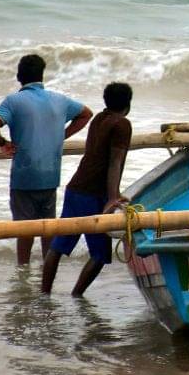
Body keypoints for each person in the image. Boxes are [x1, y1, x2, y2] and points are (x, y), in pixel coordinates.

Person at [0, 54, 92, 265]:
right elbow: (86, 114)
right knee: (47, 228)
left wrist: (3, 143)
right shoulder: (60, 100)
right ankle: (47, 269)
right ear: (42, 76)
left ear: (19, 76)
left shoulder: (13, 101)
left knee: (24, 230)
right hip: (50, 175)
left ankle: (23, 271)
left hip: (24, 176)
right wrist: (61, 135)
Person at [42, 82, 133, 296]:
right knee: (100, 254)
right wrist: (113, 197)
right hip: (93, 195)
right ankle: (76, 295)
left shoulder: (99, 119)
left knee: (58, 246)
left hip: (76, 189)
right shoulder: (122, 124)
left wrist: (113, 193)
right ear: (128, 104)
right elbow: (114, 161)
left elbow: (101, 158)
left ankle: (44, 294)